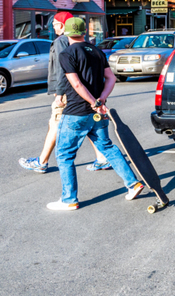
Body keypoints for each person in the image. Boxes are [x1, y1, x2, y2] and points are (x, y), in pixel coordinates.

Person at [47, 17, 144, 211]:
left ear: (66, 32)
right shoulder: (97, 51)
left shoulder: (67, 53)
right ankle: (133, 183)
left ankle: (69, 200)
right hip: (97, 113)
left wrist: (93, 102)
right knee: (107, 147)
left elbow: (75, 84)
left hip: (76, 112)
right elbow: (111, 78)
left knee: (64, 155)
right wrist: (101, 100)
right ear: (84, 32)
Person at [19, 12, 111, 174]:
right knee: (87, 125)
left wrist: (60, 92)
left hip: (69, 92)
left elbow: (64, 70)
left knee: (56, 124)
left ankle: (42, 161)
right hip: (79, 92)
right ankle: (102, 158)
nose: (52, 26)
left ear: (62, 25)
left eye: (54, 23)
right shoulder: (73, 42)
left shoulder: (63, 41)